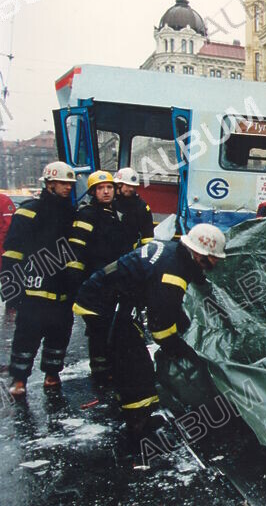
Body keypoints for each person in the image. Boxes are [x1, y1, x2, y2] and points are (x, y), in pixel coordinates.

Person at [73, 224, 228, 436]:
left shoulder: (176, 253)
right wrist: (179, 348)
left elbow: (176, 294)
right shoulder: (172, 274)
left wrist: (182, 321)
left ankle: (130, 407)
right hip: (103, 305)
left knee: (127, 358)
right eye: (213, 258)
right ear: (199, 253)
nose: (216, 263)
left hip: (108, 298)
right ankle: (138, 425)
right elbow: (160, 327)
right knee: (135, 367)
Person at [2, 161, 78, 397]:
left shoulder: (73, 214)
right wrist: (11, 293)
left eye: (70, 184)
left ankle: (52, 374)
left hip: (62, 288)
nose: (67, 188)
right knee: (26, 335)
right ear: (49, 183)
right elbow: (12, 253)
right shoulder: (28, 211)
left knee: (60, 333)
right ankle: (19, 379)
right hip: (33, 289)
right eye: (62, 183)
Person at [68, 170, 135, 388]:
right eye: (100, 188)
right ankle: (100, 371)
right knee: (98, 326)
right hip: (95, 279)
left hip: (114, 280)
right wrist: (77, 281)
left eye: (108, 188)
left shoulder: (115, 214)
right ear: (93, 192)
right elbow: (77, 248)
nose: (105, 192)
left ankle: (111, 366)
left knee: (113, 325)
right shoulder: (87, 214)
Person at [112, 168, 155, 248]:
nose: (131, 189)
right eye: (128, 185)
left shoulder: (142, 207)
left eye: (134, 186)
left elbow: (148, 235)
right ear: (119, 184)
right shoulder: (108, 203)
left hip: (129, 253)